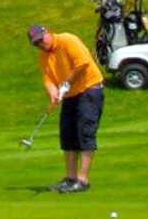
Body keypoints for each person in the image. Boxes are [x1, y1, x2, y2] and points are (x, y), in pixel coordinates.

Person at [27, 24, 104, 194]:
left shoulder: (67, 40)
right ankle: (70, 179)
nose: (41, 44)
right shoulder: (43, 57)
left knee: (85, 133)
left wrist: (66, 82)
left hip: (89, 90)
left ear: (47, 32)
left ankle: (82, 180)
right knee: (67, 136)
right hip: (70, 95)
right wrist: (53, 93)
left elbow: (82, 64)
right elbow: (48, 80)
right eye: (36, 43)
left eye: (41, 39)